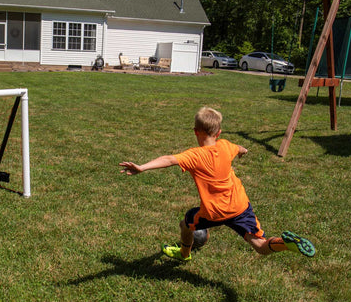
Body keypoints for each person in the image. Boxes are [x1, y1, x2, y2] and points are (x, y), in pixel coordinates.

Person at [119, 106, 315, 261]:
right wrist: (243, 150)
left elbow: (170, 159)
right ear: (219, 132)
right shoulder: (226, 146)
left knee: (186, 223)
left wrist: (143, 167)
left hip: (214, 212)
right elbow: (238, 148)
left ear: (196, 131)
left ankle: (184, 255)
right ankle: (286, 244)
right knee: (261, 246)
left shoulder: (195, 155)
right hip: (240, 206)